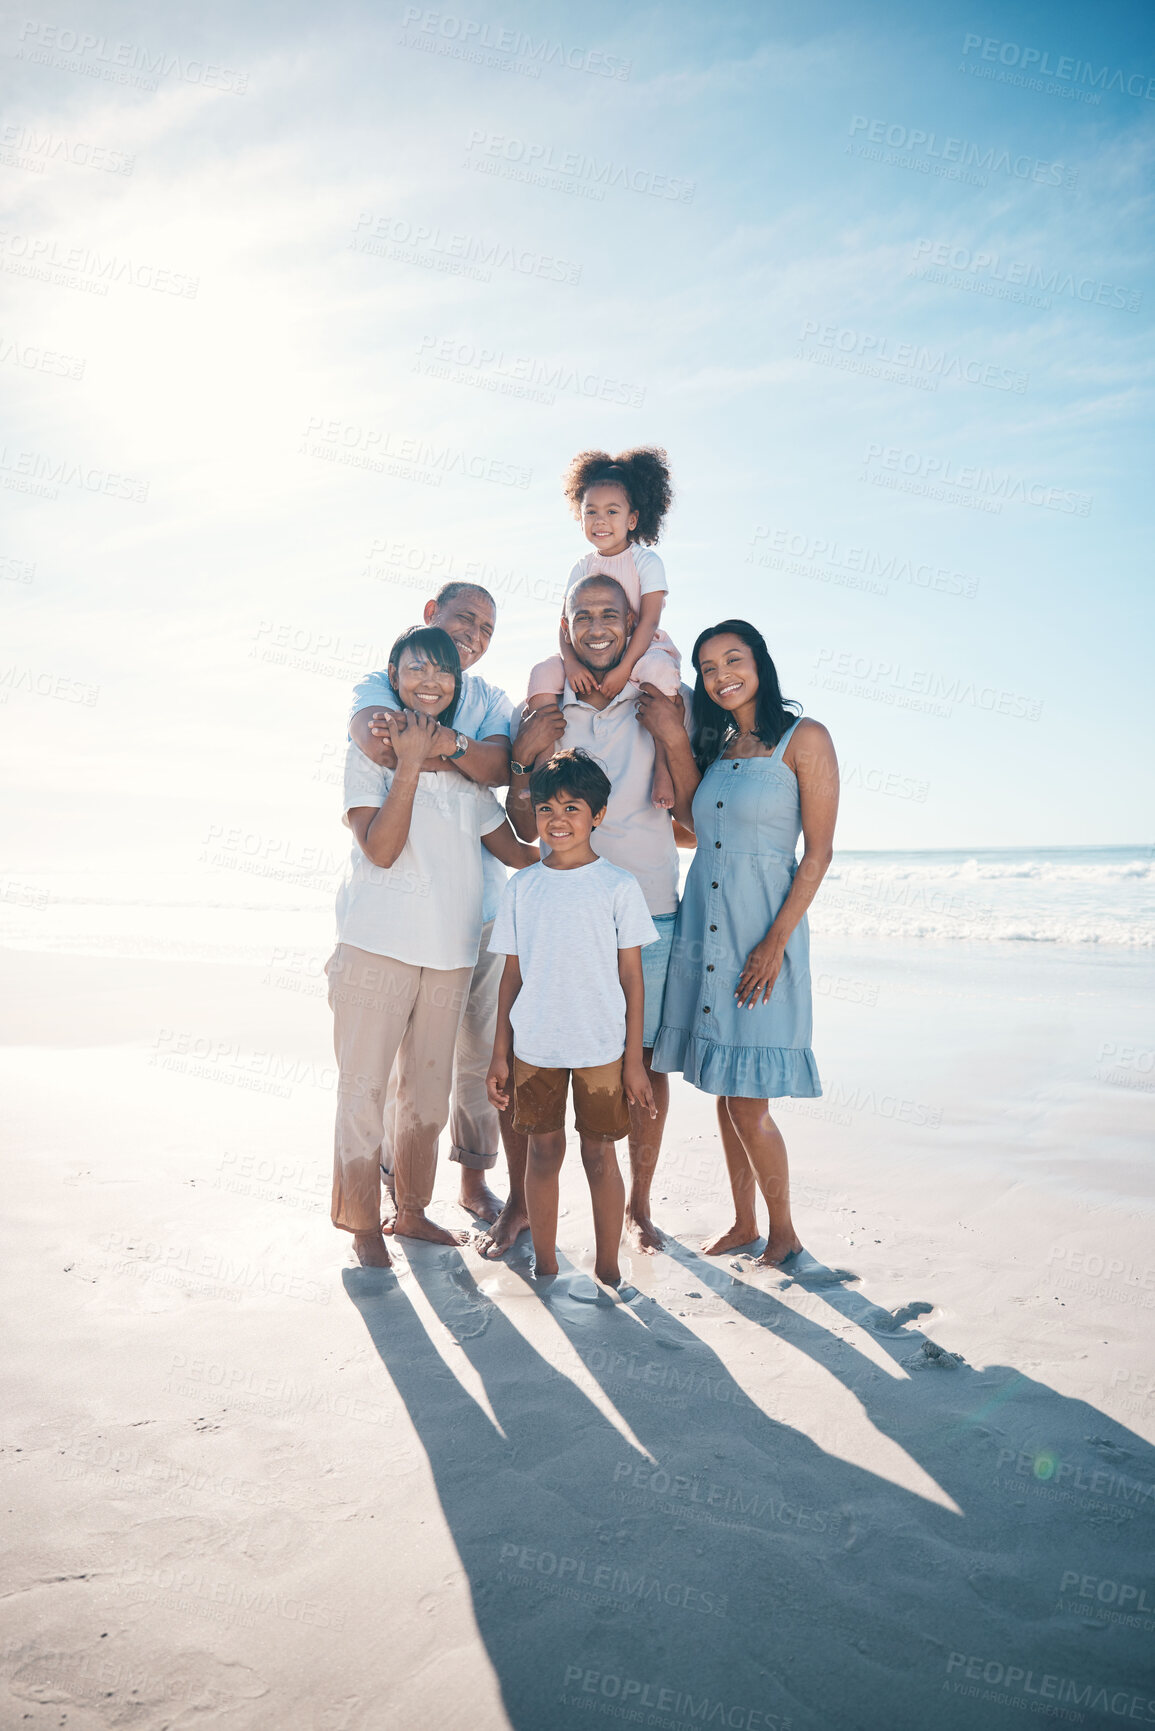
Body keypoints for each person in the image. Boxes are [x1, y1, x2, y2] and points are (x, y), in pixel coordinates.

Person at [329, 625, 535, 1269]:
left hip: (451, 954)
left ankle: (412, 1211)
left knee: (428, 1089)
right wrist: (412, 762)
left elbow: (524, 853)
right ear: (393, 675)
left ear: (455, 687)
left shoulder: (470, 780)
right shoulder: (370, 756)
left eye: (443, 673)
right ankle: (364, 1223)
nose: (431, 680)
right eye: (417, 668)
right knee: (364, 1088)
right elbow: (382, 849)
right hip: (376, 945)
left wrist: (594, 846)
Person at [505, 573, 699, 1256]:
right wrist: (528, 754)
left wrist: (672, 736)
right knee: (535, 1049)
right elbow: (521, 822)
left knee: (640, 1065)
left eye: (611, 615)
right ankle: (520, 1206)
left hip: (646, 901)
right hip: (560, 910)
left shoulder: (661, 691)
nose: (596, 626)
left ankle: (638, 1206)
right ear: (564, 623)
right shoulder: (545, 697)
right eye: (582, 614)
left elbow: (696, 819)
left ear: (633, 623)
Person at [642, 619, 838, 1267]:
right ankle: (743, 1222)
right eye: (706, 665)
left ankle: (784, 1232)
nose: (720, 673)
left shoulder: (803, 739)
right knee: (727, 1091)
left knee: (749, 1102)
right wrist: (671, 740)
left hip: (763, 933)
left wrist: (773, 942)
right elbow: (693, 827)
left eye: (733, 658)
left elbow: (818, 853)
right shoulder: (721, 748)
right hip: (708, 931)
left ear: (759, 662)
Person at [486, 749, 657, 1287]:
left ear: (598, 815)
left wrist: (634, 1062)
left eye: (572, 808)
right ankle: (547, 1262)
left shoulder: (618, 887)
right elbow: (510, 977)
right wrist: (499, 1053)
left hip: (601, 1049)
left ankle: (608, 1267)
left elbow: (633, 979)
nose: (557, 820)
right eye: (546, 810)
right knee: (541, 1152)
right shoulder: (522, 888)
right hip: (534, 1047)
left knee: (600, 1156)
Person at [525, 447, 682, 811]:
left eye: (612, 511)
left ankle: (663, 766)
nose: (601, 520)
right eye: (590, 511)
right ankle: (542, 768)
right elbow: (565, 624)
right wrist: (573, 665)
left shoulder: (646, 561)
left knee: (660, 673)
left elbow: (649, 620)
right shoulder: (581, 567)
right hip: (587, 651)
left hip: (641, 648)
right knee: (543, 673)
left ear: (632, 519)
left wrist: (625, 669)